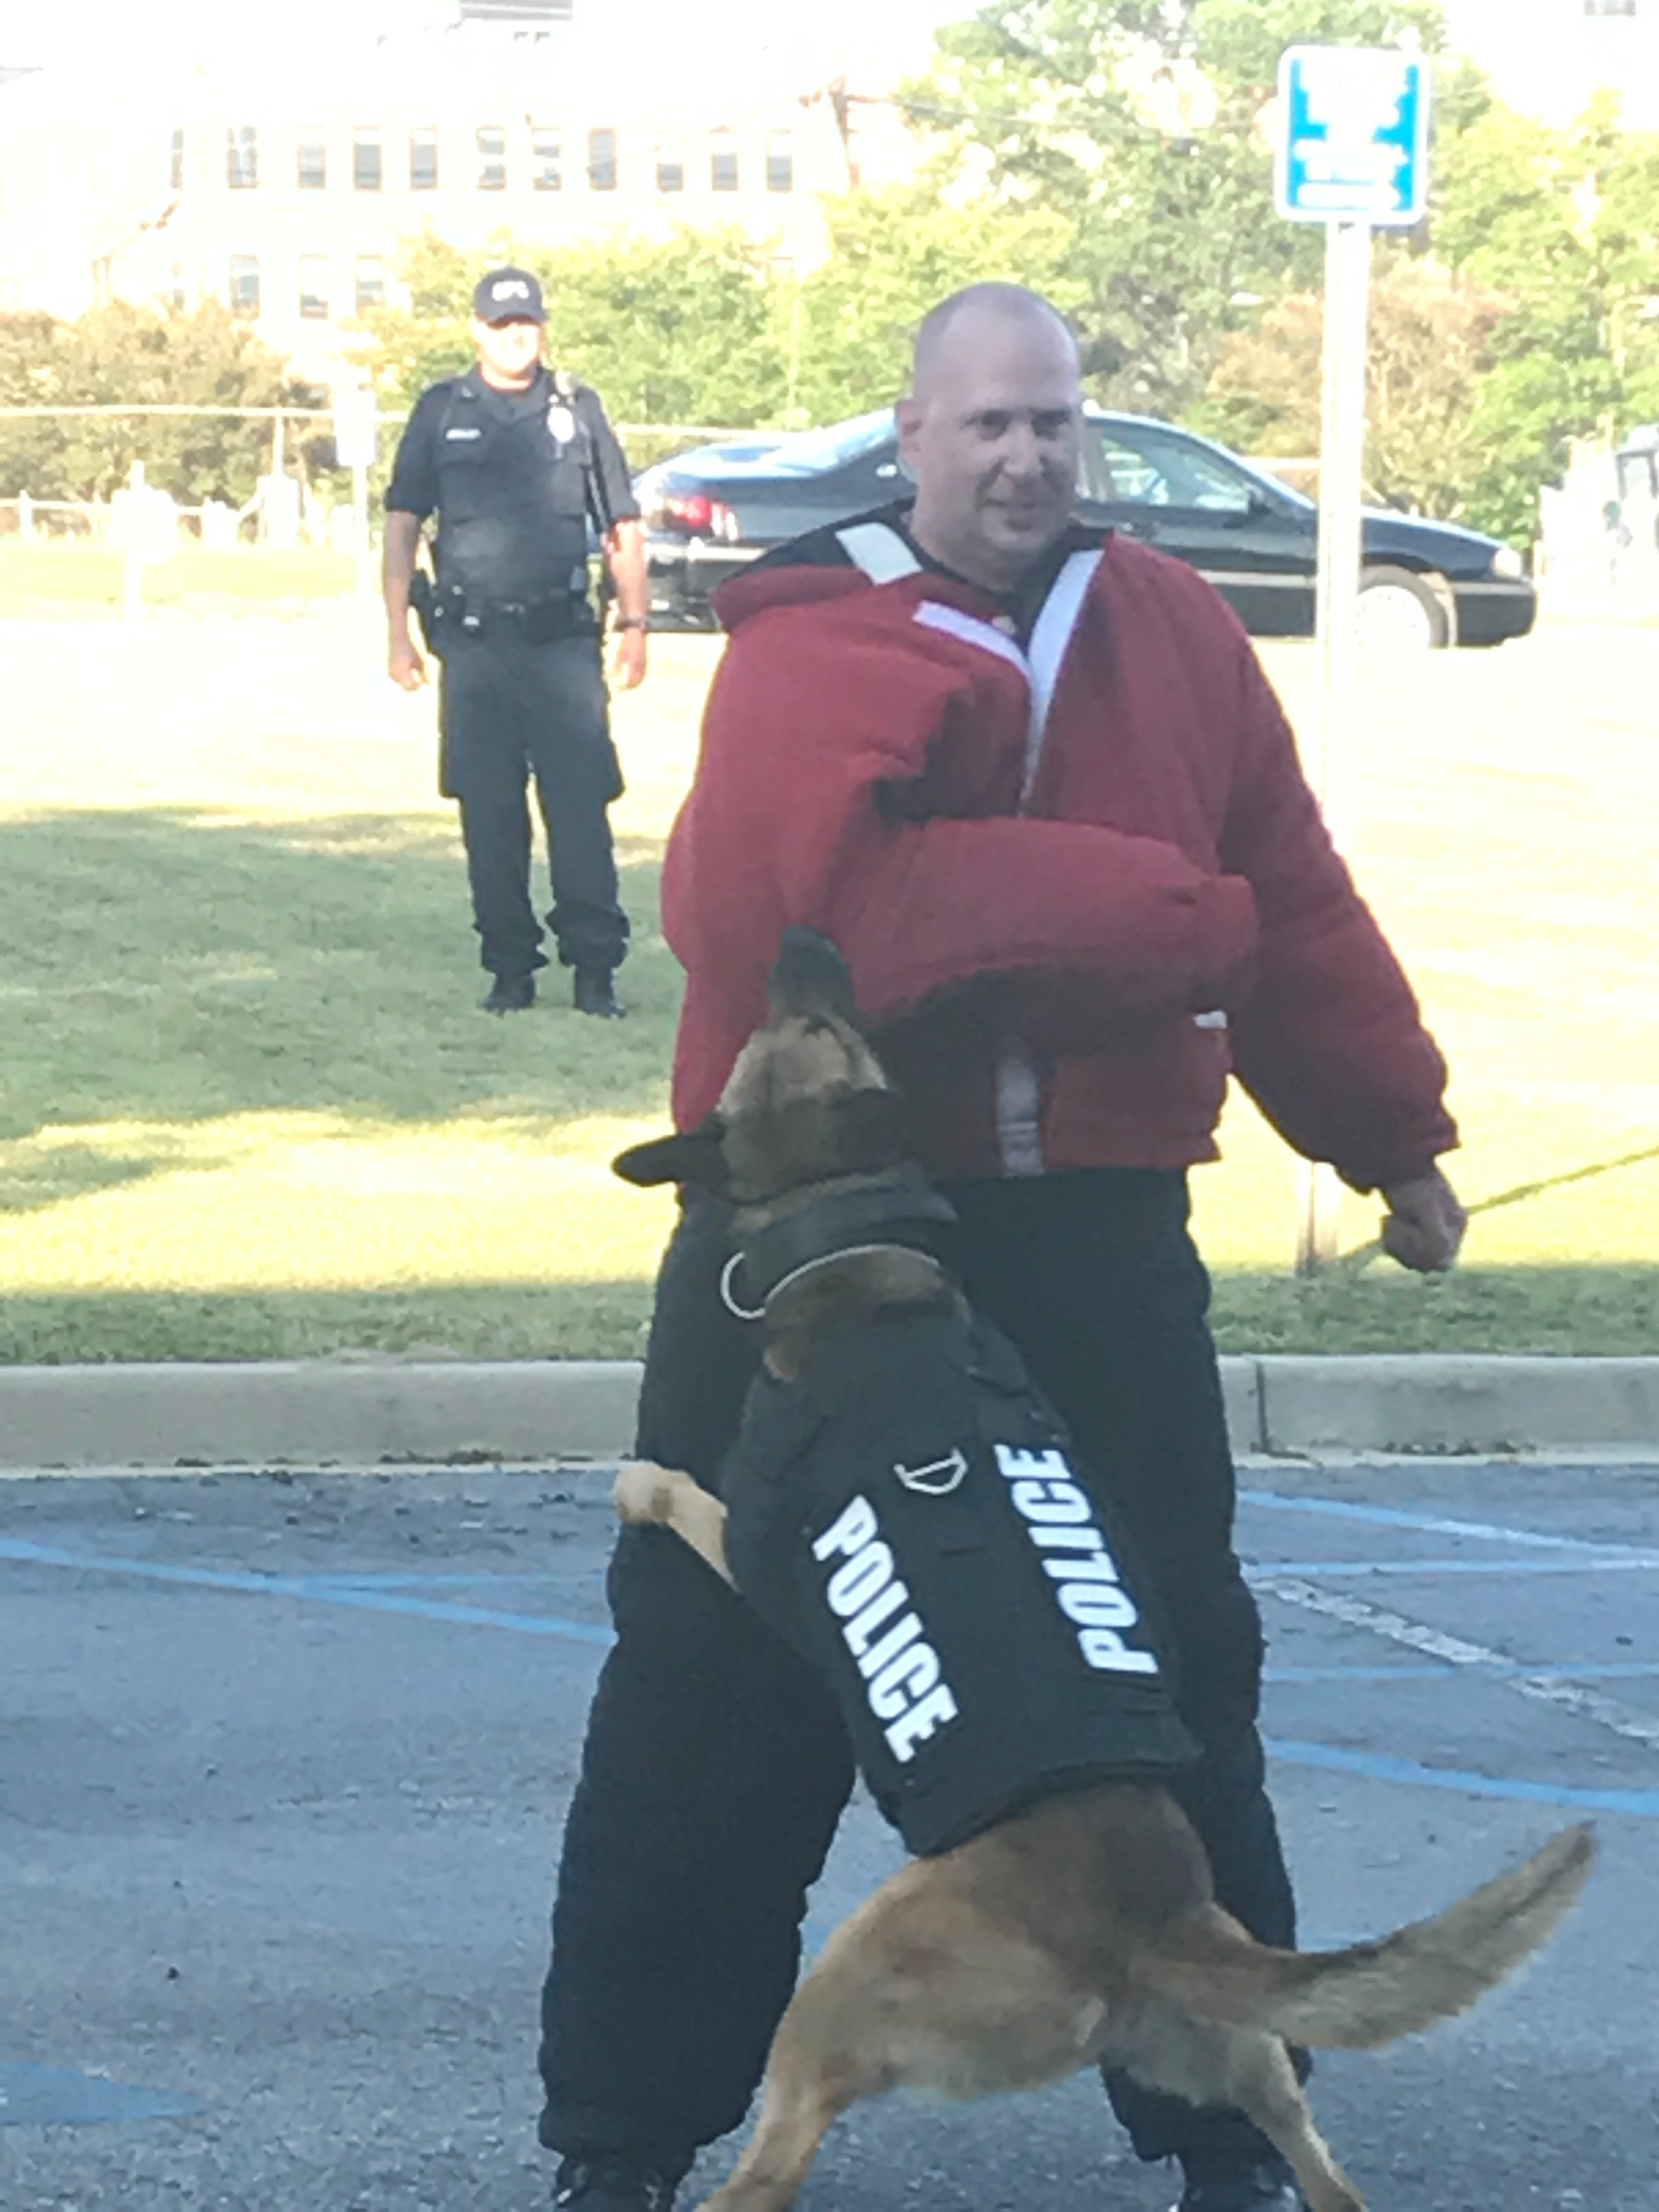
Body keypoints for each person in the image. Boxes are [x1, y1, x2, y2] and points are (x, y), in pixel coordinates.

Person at [537, 284, 1469, 2212]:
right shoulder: (813, 644)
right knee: (720, 1686)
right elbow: (822, 927)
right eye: (986, 426)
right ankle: (623, 2137)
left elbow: (1284, 899)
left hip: (1092, 1234)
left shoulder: (1173, 634)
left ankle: (1228, 2120)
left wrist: (1388, 1136)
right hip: (802, 1240)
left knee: (1164, 1676)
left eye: (1055, 421)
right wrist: (1165, 920)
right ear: (913, 436)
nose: (1027, 456)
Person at [382, 266, 649, 1017]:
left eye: (526, 322)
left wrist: (635, 623)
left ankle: (595, 971)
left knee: (580, 812)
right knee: (490, 815)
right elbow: (404, 523)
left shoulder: (577, 408)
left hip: (562, 645)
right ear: (476, 329)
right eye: (501, 325)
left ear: (542, 327)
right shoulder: (441, 411)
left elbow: (622, 526)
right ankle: (510, 970)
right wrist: (397, 631)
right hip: (473, 648)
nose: (515, 335)